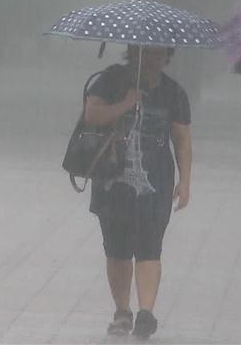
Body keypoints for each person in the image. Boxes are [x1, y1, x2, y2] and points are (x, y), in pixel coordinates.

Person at [83, 45, 192, 339]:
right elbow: (91, 114)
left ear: (168, 56)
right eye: (148, 53)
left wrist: (185, 181)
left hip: (155, 183)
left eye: (160, 54)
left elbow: (181, 139)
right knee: (116, 248)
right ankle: (122, 311)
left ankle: (146, 313)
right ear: (134, 52)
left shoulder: (173, 92)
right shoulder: (110, 80)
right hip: (111, 180)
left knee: (150, 247)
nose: (154, 60)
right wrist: (125, 104)